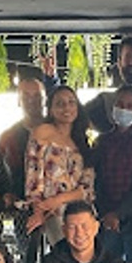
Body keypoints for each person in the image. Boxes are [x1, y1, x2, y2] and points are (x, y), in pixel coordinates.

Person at [89, 83, 132, 259]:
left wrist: (119, 214)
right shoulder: (101, 141)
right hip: (107, 220)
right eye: (120, 104)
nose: (124, 109)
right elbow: (96, 181)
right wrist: (106, 214)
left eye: (130, 106)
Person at [24, 85, 95, 239]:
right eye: (60, 103)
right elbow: (33, 177)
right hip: (51, 213)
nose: (66, 108)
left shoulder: (82, 141)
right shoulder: (42, 132)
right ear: (51, 109)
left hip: (79, 211)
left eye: (71, 102)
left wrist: (59, 199)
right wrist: (38, 211)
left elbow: (87, 187)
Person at [0, 76, 46, 196]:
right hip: (19, 201)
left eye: (37, 96)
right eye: (26, 96)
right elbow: (1, 176)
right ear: (18, 101)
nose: (32, 101)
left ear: (44, 99)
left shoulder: (57, 132)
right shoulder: (8, 138)